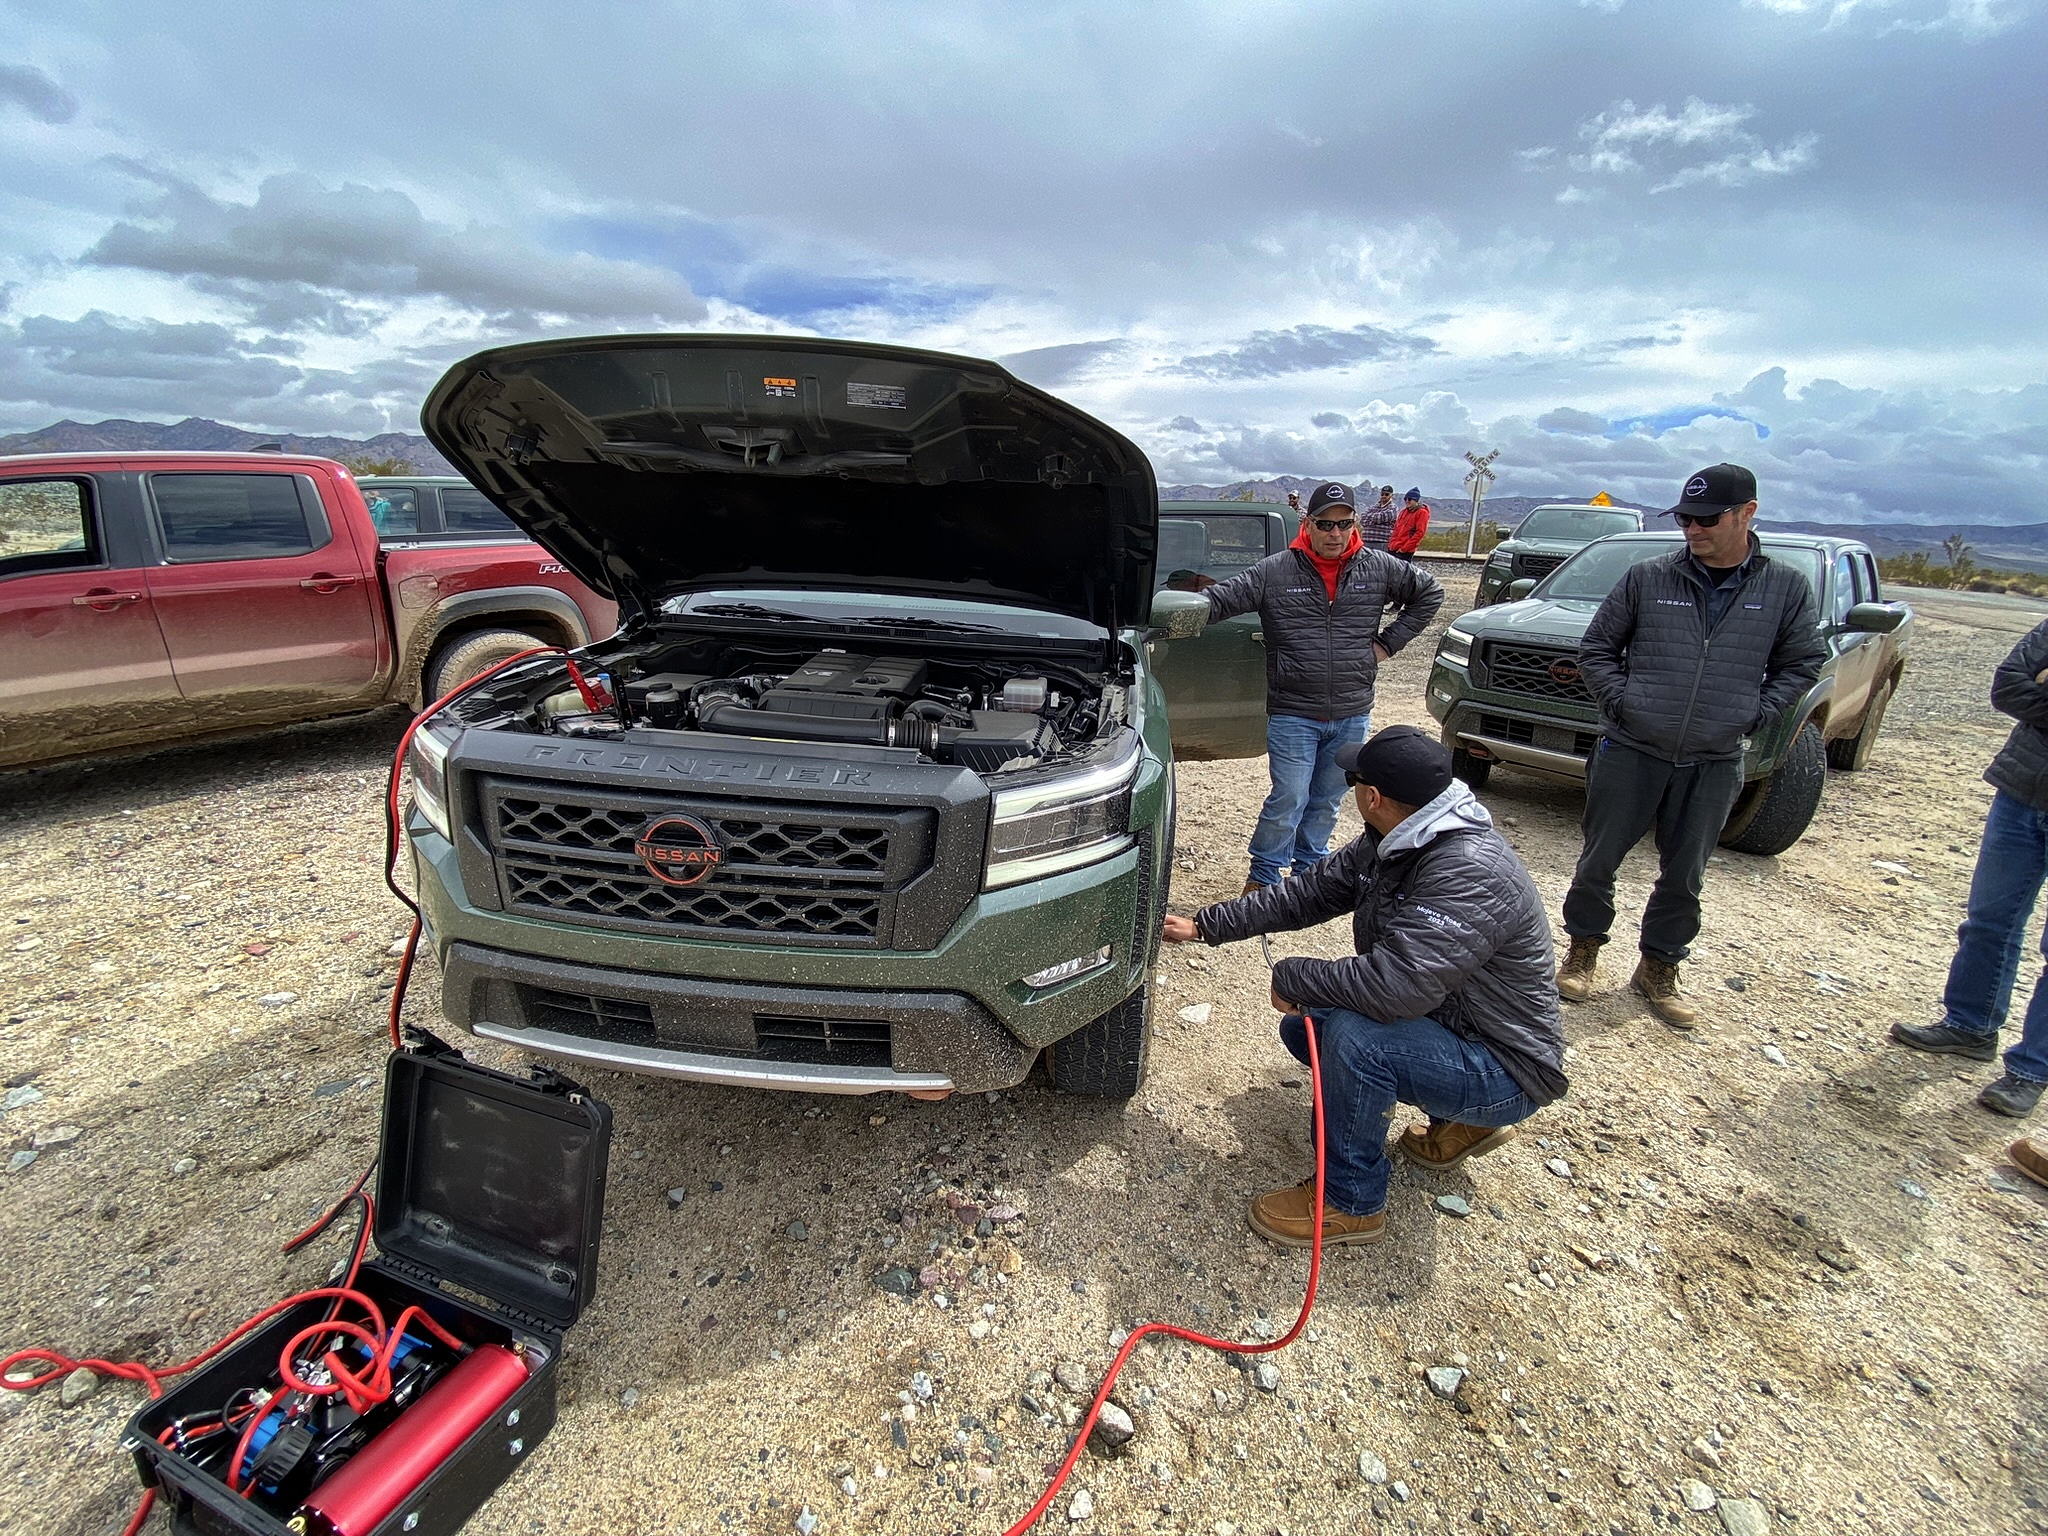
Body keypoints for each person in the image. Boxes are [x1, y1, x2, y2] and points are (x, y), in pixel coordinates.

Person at [1161, 727, 1566, 1246]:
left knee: (1356, 1038)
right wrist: (1205, 925)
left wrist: (1297, 976)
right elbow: (1308, 894)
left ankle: (1351, 1201)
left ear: (1372, 797)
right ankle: (1462, 1122)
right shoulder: (1402, 839)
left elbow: (1397, 986)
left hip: (1506, 1067)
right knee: (1308, 1028)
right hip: (1459, 1027)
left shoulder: (1468, 870)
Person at [1556, 463, 1826, 1026]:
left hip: (1713, 758)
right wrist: (1625, 704)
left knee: (1685, 873)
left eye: (1707, 519)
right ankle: (1582, 951)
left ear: (1747, 513)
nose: (1693, 529)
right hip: (1632, 748)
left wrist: (1753, 715)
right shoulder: (1648, 578)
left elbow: (1802, 663)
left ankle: (1658, 966)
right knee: (1599, 859)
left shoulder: (1784, 588)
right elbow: (1596, 649)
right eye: (1685, 519)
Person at [1201, 482, 1443, 894]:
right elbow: (1220, 600)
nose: (1335, 533)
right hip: (1293, 711)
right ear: (1309, 525)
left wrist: (1387, 644)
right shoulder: (1275, 571)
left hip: (1351, 711)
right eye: (1326, 524)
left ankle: (1310, 876)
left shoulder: (1379, 567)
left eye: (1344, 524)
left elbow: (1430, 593)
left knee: (1327, 800)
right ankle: (1263, 879)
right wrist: (1171, 609)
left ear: (1355, 524)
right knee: (1289, 798)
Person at [1890, 617, 2048, 1115]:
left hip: (2027, 782)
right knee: (1988, 922)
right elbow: (2008, 687)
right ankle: (1970, 1025)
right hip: (2023, 792)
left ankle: (2031, 1070)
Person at [1389, 488, 1430, 561]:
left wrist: (1404, 549)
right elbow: (1396, 530)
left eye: (1410, 499)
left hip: (1405, 551)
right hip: (1393, 548)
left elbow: (1419, 533)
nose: (1407, 501)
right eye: (1405, 499)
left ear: (1416, 500)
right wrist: (1391, 545)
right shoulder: (1403, 512)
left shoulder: (1422, 513)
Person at [1358, 485, 1399, 551]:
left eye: (1386, 494)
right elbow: (1363, 519)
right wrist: (1377, 521)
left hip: (1382, 543)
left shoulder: (1393, 508)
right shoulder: (1373, 507)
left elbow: (1380, 518)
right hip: (1366, 541)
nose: (1384, 496)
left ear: (1391, 495)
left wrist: (1370, 518)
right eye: (1382, 494)